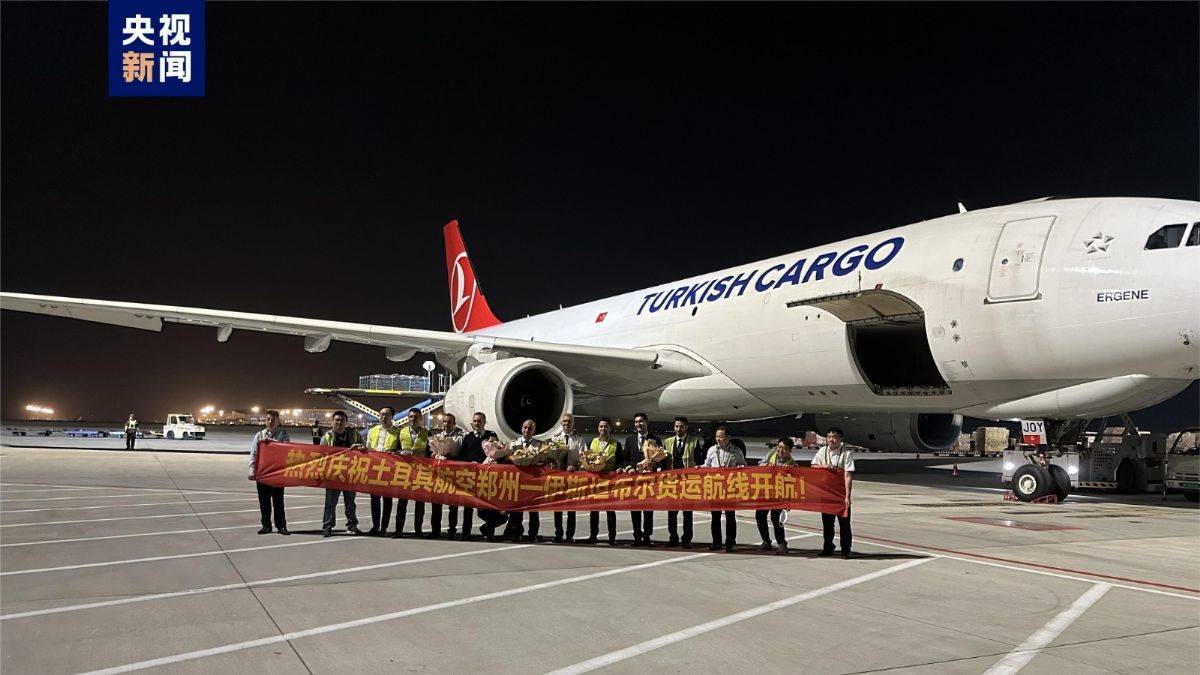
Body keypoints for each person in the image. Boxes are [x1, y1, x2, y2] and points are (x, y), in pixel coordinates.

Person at [811, 426, 855, 558]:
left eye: (835, 437)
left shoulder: (846, 454)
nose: (831, 439)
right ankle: (828, 547)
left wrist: (847, 496)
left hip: (840, 493)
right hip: (826, 493)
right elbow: (813, 466)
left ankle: (846, 549)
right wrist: (824, 466)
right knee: (827, 523)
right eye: (829, 437)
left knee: (844, 523)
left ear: (841, 439)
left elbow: (848, 475)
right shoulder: (822, 451)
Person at [621, 412, 663, 546]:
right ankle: (637, 537)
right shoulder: (630, 440)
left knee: (648, 510)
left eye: (641, 421)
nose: (638, 424)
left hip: (650, 480)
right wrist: (629, 468)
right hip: (634, 480)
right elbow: (624, 460)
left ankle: (647, 537)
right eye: (636, 422)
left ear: (646, 422)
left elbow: (662, 460)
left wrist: (654, 464)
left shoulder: (655, 439)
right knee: (635, 509)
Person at [663, 416, 704, 548]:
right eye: (676, 426)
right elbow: (664, 462)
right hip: (672, 482)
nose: (678, 429)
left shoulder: (694, 441)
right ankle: (673, 538)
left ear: (686, 427)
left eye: (681, 426)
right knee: (672, 513)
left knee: (687, 513)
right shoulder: (668, 442)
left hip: (688, 482)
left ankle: (687, 539)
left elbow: (699, 462)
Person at [320, 411, 363, 537]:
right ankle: (327, 526)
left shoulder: (354, 434)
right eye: (337, 420)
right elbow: (321, 456)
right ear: (332, 422)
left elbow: (365, 447)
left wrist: (360, 446)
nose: (339, 422)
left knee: (350, 503)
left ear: (346, 422)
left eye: (342, 420)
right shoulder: (326, 437)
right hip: (333, 476)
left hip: (350, 474)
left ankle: (352, 525)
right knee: (330, 503)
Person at [703, 425, 745, 552]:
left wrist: (740, 468)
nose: (718, 439)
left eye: (721, 437)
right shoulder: (711, 450)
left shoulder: (737, 451)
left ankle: (730, 542)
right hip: (715, 487)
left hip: (730, 487)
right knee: (715, 517)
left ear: (728, 437)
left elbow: (743, 465)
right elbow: (707, 465)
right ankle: (716, 542)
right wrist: (700, 468)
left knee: (730, 516)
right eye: (717, 437)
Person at [249, 409, 291, 535]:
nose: (270, 421)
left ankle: (281, 525)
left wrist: (273, 443)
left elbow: (287, 450)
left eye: (273, 419)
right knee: (264, 501)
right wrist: (251, 470)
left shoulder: (283, 435)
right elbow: (254, 453)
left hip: (277, 474)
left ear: (278, 421)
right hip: (262, 473)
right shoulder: (259, 435)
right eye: (268, 419)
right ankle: (266, 525)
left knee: (278, 501)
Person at [364, 406, 403, 536]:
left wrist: (395, 452)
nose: (383, 417)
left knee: (387, 500)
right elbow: (368, 448)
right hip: (375, 468)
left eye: (386, 414)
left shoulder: (398, 432)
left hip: (389, 469)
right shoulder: (372, 431)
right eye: (381, 414)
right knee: (374, 499)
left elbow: (400, 449)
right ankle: (375, 526)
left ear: (392, 416)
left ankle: (384, 528)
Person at [461, 411, 499, 540]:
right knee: (468, 507)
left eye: (479, 421)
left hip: (486, 477)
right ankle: (466, 533)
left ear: (484, 422)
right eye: (475, 421)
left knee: (487, 506)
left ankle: (489, 532)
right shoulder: (468, 437)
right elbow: (462, 456)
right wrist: (469, 463)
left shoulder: (491, 436)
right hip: (470, 476)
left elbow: (497, 453)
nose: (477, 423)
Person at [583, 418, 621, 545]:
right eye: (601, 426)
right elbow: (587, 459)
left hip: (610, 481)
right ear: (598, 428)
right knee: (594, 510)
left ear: (610, 428)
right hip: (596, 480)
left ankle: (612, 537)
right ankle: (593, 535)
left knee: (610, 510)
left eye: (605, 426)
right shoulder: (592, 442)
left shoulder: (616, 444)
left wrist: (619, 468)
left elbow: (619, 461)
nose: (603, 429)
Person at [394, 407, 430, 538]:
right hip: (405, 472)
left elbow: (431, 452)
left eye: (416, 417)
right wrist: (400, 452)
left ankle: (418, 531)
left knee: (420, 504)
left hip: (421, 472)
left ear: (421, 418)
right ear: (408, 418)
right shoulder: (401, 432)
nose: (413, 419)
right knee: (401, 503)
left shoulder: (427, 433)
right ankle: (398, 531)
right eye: (411, 417)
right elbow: (395, 449)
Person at [756, 437, 796, 554]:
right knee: (760, 516)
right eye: (779, 447)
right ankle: (766, 541)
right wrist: (765, 465)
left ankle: (782, 543)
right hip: (767, 491)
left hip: (780, 495)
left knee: (776, 519)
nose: (781, 451)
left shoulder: (792, 465)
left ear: (790, 451)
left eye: (784, 449)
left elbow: (794, 484)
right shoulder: (771, 454)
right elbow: (760, 464)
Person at [506, 419, 544, 542]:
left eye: (530, 428)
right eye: (525, 428)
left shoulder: (539, 445)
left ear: (534, 431)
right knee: (517, 509)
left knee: (534, 509)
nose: (527, 430)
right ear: (522, 428)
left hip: (533, 480)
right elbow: (507, 459)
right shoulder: (514, 443)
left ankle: (533, 534)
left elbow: (544, 461)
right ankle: (517, 532)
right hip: (518, 481)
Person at [553, 413, 586, 543]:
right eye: (565, 421)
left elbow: (583, 457)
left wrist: (575, 466)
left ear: (573, 423)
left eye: (569, 421)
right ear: (561, 423)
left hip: (572, 477)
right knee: (557, 508)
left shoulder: (578, 438)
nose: (567, 423)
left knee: (571, 509)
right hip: (558, 477)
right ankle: (558, 534)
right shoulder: (555, 438)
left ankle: (570, 535)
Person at [431, 413, 465, 538]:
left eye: (449, 422)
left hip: (453, 475)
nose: (446, 424)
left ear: (454, 424)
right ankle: (435, 531)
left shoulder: (459, 438)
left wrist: (451, 458)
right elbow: (431, 453)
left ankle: (452, 530)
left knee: (453, 505)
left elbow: (463, 455)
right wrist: (435, 455)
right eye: (445, 421)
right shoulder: (437, 437)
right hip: (439, 475)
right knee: (436, 504)